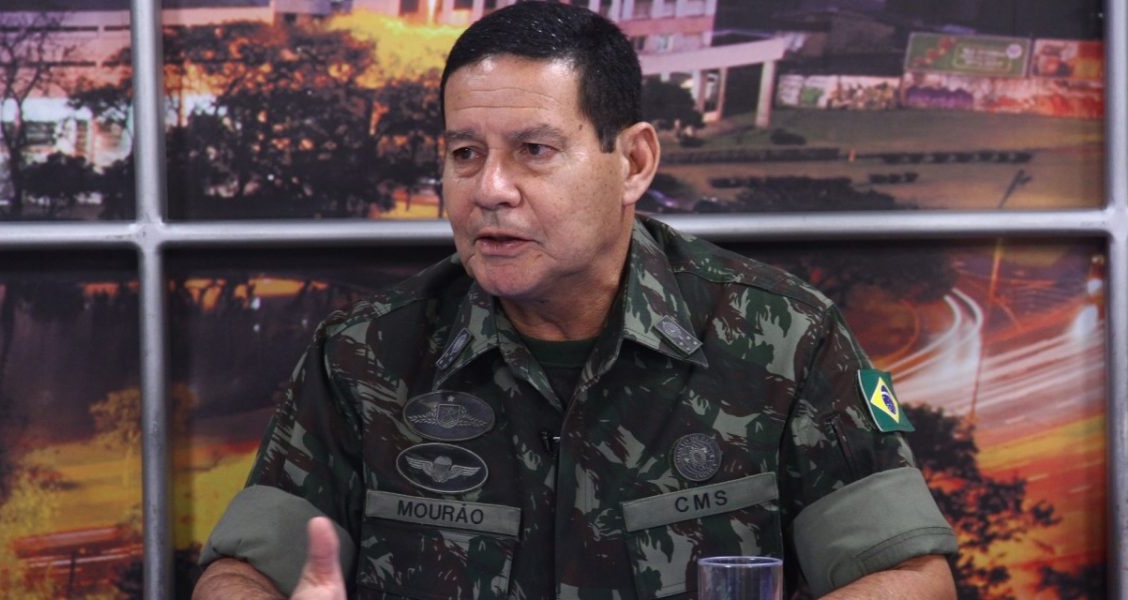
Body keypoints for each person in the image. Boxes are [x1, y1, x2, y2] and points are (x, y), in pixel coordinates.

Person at [193, 3, 958, 598]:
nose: (491, 189)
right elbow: (240, 572)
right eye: (465, 154)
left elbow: (909, 576)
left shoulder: (785, 337)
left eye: (534, 151)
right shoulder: (362, 356)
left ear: (633, 162)